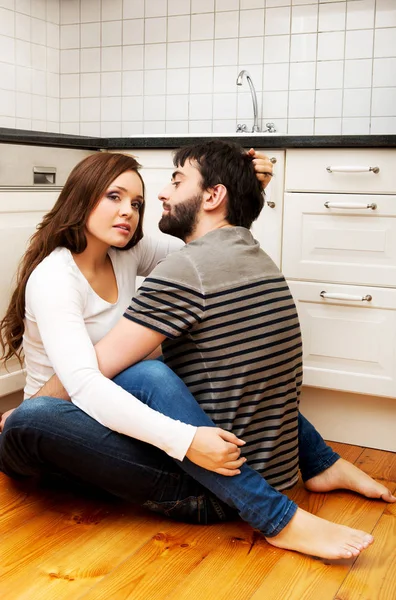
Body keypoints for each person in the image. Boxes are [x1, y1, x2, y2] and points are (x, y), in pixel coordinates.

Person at [0, 143, 391, 561]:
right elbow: (82, 384)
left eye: (137, 202)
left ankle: (318, 461)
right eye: (113, 197)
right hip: (57, 417)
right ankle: (275, 514)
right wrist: (186, 440)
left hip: (114, 402)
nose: (129, 211)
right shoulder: (55, 279)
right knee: (47, 412)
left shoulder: (127, 252)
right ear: (82, 197)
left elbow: (215, 250)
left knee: (161, 368)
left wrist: (243, 191)